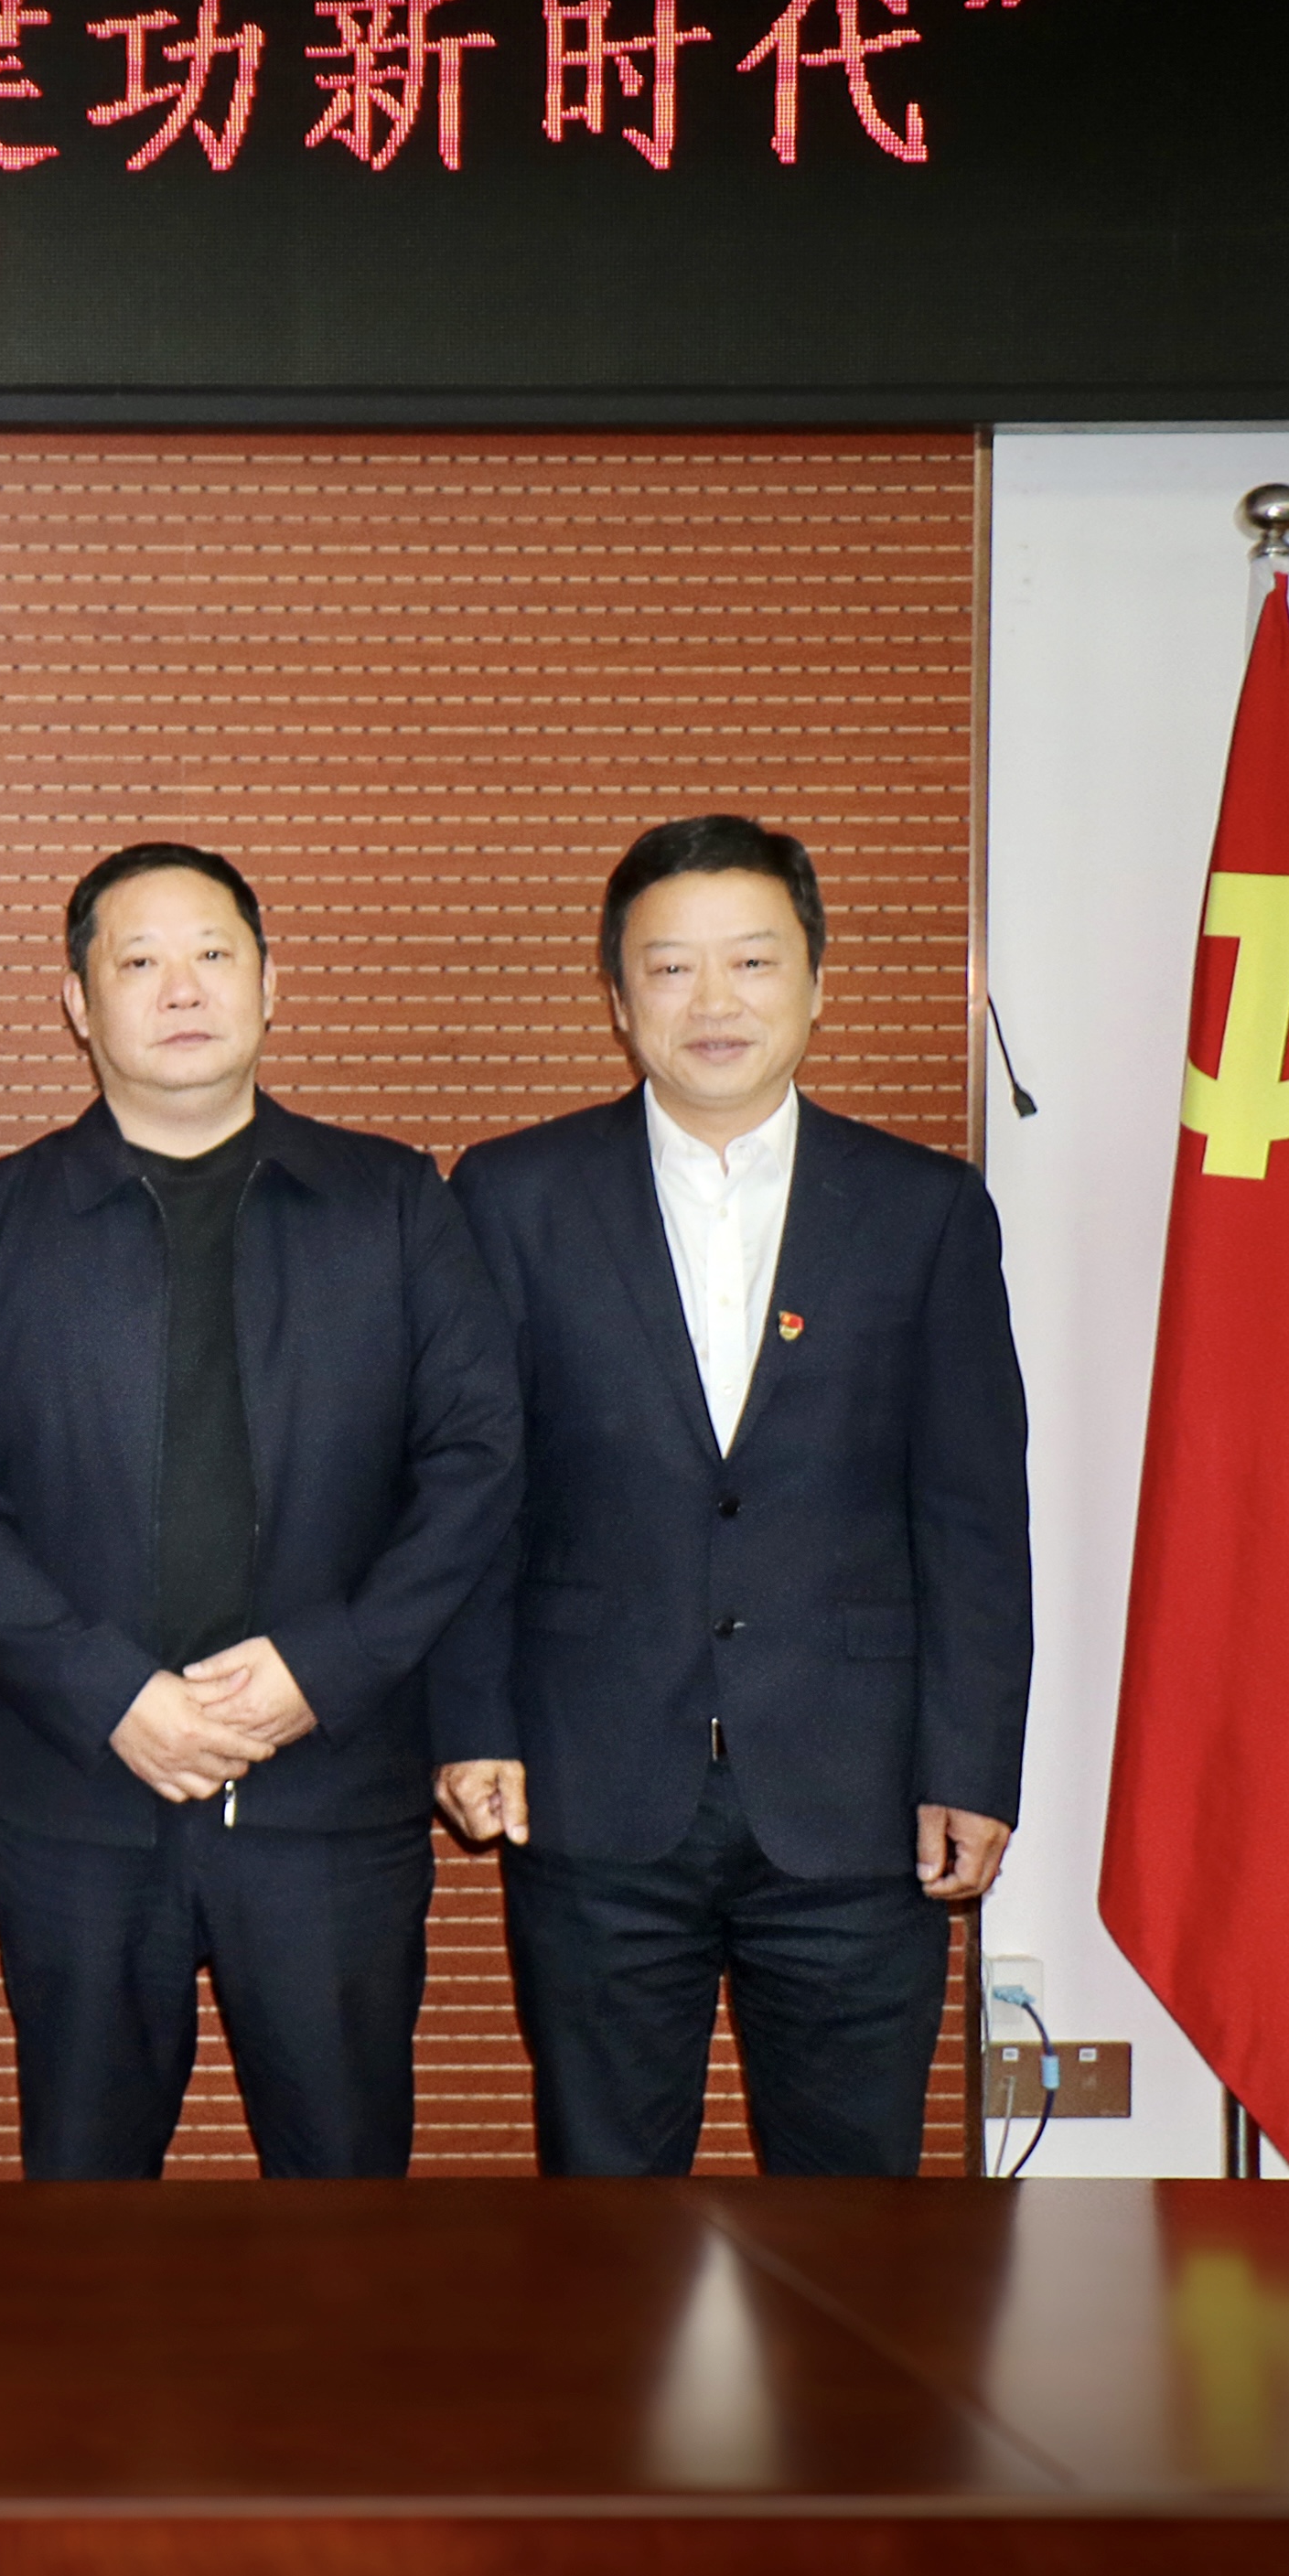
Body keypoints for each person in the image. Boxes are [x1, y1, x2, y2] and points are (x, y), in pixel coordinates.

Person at [0, 843, 519, 2181]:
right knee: (84, 2211)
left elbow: (472, 1464)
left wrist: (321, 1670)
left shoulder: (392, 1202)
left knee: (347, 2208)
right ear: (78, 1002)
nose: (183, 988)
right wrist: (109, 1691)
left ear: (270, 984)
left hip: (331, 1795)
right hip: (80, 1800)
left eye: (214, 954)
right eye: (139, 961)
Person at [435, 816, 1028, 2176]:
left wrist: (970, 1765)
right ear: (617, 996)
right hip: (589, 1781)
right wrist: (469, 1720)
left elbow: (973, 1516)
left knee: (852, 2222)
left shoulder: (924, 1210)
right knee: (604, 2207)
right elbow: (473, 1492)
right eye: (670, 967)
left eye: (752, 961)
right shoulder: (514, 1196)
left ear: (816, 983)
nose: (713, 1001)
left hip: (855, 1796)